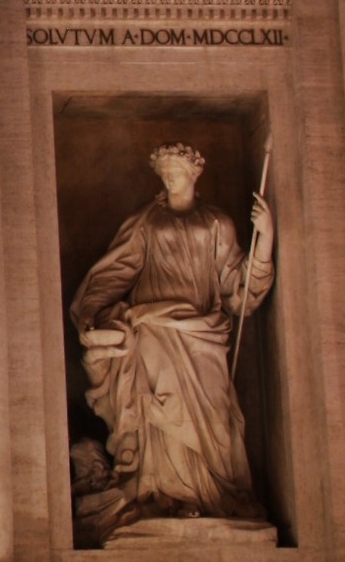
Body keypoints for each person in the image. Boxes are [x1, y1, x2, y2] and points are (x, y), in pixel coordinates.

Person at [70, 142, 272, 541]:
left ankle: (213, 497)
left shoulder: (217, 223)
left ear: (194, 174)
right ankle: (162, 495)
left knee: (214, 416)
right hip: (154, 329)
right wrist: (92, 310)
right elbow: (115, 271)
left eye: (176, 172)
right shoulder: (146, 222)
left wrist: (265, 238)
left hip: (203, 334)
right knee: (160, 414)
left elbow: (239, 288)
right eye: (164, 174)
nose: (170, 179)